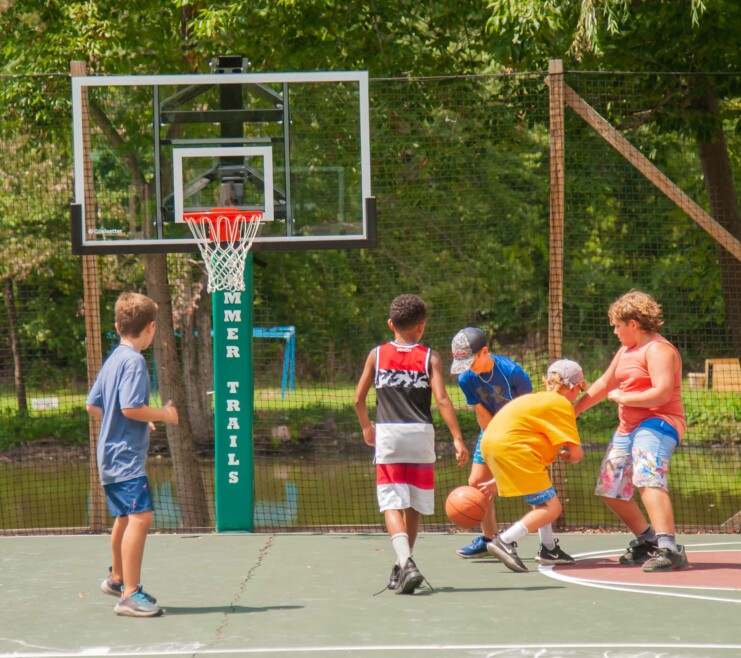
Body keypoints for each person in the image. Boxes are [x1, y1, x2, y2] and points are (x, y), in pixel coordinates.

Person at [355, 293, 469, 594]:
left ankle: (405, 563)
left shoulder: (376, 355)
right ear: (422, 327)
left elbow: (357, 399)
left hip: (389, 435)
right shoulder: (430, 356)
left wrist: (367, 426)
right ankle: (401, 566)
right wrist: (458, 438)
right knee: (414, 506)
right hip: (421, 435)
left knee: (392, 503)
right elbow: (442, 399)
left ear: (391, 324)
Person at [574, 290, 689, 572]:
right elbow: (603, 384)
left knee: (646, 474)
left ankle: (669, 548)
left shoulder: (659, 350)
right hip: (628, 428)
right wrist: (570, 412)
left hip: (660, 422)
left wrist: (624, 398)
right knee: (609, 488)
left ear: (633, 324)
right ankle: (647, 540)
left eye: (617, 325)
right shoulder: (626, 351)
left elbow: (661, 394)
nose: (614, 331)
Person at [86, 292, 179, 617]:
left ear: (117, 325)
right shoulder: (135, 362)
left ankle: (116, 579)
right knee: (141, 517)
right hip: (125, 459)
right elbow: (129, 407)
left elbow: (93, 405)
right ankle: (128, 594)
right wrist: (162, 416)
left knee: (125, 517)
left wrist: (139, 420)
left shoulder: (114, 359)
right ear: (151, 327)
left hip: (109, 457)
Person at [482, 360, 586, 573]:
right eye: (581, 390)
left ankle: (549, 549)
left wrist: (500, 476)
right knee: (552, 508)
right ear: (575, 387)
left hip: (491, 444)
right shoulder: (562, 404)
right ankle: (505, 540)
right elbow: (576, 453)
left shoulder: (536, 399)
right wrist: (569, 456)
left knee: (542, 496)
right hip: (514, 449)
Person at [450, 327, 535, 559]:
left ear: (484, 352)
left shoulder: (512, 373)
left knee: (534, 484)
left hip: (521, 430)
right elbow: (482, 415)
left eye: (470, 361)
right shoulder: (466, 378)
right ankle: (490, 540)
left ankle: (547, 544)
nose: (468, 368)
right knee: (477, 482)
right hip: (491, 430)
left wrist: (512, 443)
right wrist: (495, 442)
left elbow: (529, 411)